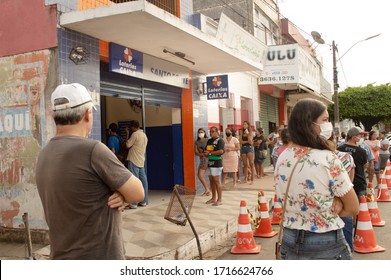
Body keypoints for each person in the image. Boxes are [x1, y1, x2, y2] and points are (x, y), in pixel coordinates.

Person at [36, 83, 144, 259]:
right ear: (87, 114)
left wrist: (121, 194)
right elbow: (138, 193)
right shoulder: (93, 150)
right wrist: (124, 194)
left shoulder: (44, 154)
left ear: (54, 117)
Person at [275, 98, 359, 260]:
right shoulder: (327, 158)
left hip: (289, 239)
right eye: (325, 120)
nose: (329, 125)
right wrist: (336, 202)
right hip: (325, 241)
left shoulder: (283, 156)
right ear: (310, 123)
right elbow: (353, 208)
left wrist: (336, 199)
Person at [327, 131, 356, 252]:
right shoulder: (345, 157)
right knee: (346, 248)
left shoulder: (305, 158)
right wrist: (340, 198)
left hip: (319, 213)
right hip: (343, 207)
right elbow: (350, 181)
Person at [338, 127, 369, 198]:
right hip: (359, 183)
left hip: (343, 183)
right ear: (354, 137)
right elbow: (365, 166)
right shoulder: (362, 152)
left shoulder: (339, 149)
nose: (362, 138)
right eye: (360, 136)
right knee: (362, 207)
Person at [125, 120, 149, 209]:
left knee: (134, 181)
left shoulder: (135, 134)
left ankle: (134, 203)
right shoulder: (144, 135)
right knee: (143, 181)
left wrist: (127, 134)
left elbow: (127, 145)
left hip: (134, 160)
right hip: (141, 161)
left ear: (133, 127)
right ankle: (144, 201)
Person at [204, 126, 225, 206]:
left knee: (216, 181)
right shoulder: (209, 141)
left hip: (217, 162)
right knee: (211, 180)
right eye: (210, 131)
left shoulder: (220, 141)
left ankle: (219, 200)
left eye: (213, 131)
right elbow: (207, 150)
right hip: (209, 162)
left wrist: (210, 153)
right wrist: (205, 153)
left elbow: (221, 151)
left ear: (217, 132)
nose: (211, 133)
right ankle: (213, 198)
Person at [195, 128, 210, 196]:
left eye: (202, 132)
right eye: (199, 132)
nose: (201, 133)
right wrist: (201, 154)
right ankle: (207, 190)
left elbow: (210, 151)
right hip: (202, 159)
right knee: (200, 175)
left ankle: (207, 190)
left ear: (204, 133)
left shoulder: (208, 140)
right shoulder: (196, 142)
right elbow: (196, 152)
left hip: (207, 159)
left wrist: (203, 154)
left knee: (200, 175)